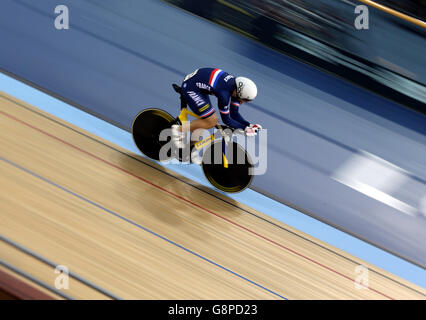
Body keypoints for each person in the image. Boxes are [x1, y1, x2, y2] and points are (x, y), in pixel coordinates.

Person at [172, 67, 262, 148]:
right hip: (191, 88)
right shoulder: (224, 94)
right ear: (240, 93)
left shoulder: (235, 87)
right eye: (246, 100)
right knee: (212, 121)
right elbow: (226, 120)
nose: (245, 102)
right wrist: (245, 129)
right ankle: (178, 130)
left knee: (204, 124)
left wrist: (249, 125)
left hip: (198, 86)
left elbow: (234, 114)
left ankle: (187, 148)